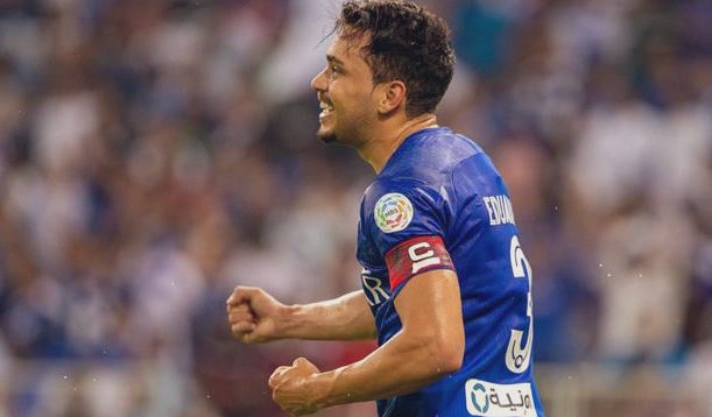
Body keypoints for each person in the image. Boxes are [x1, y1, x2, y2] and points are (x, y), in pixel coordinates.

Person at [226, 1, 546, 416]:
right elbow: (413, 298)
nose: (318, 83)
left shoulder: (400, 193)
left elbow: (435, 345)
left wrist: (320, 390)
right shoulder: (468, 161)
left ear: (389, 96)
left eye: (337, 70)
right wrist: (289, 319)